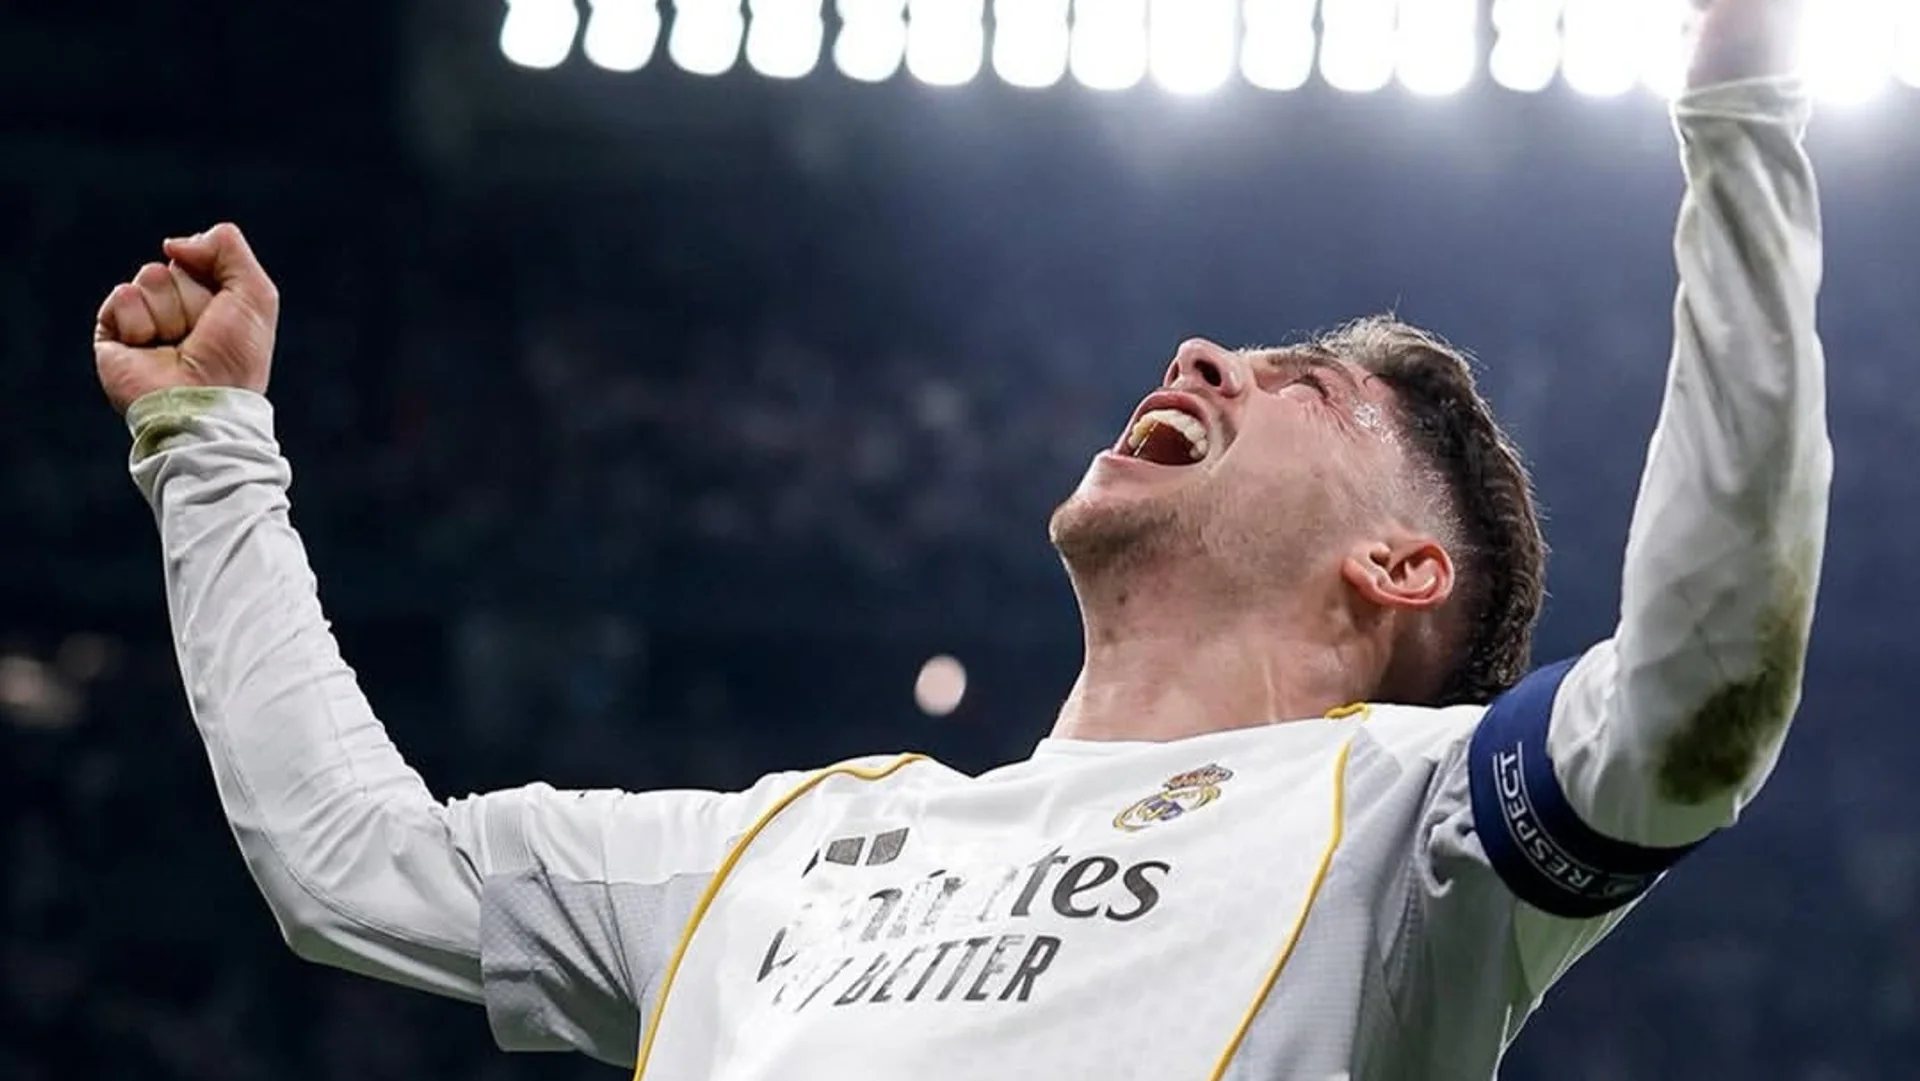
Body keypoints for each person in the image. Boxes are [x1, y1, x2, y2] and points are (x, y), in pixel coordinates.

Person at [93, 0, 1827, 1076]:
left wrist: (1740, 110)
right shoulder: (771, 857)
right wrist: (207, 445)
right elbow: (351, 862)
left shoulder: (1412, 830)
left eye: (1302, 384)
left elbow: (1703, 687)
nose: (1202, 354)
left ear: (1399, 570)